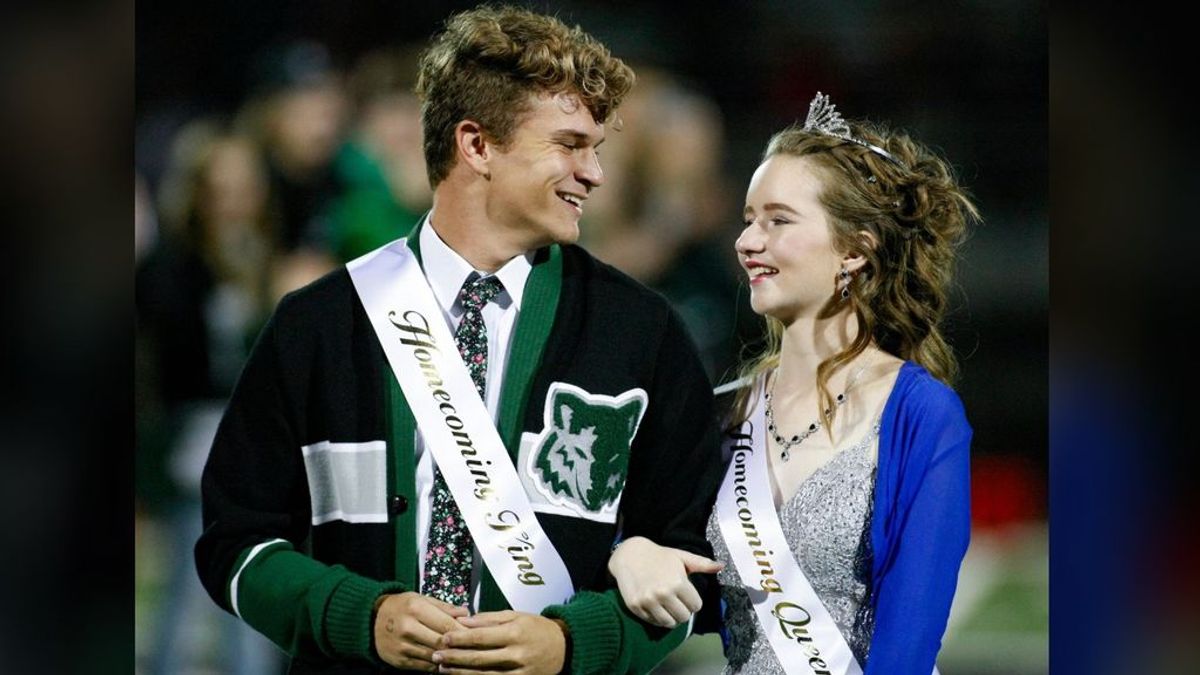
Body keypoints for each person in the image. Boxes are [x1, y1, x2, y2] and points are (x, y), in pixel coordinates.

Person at [194, 6, 725, 674]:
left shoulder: (641, 331)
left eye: (597, 147)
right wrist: (359, 613)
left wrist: (573, 642)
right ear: (477, 145)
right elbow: (234, 544)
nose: (594, 172)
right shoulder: (320, 323)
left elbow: (698, 559)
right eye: (568, 144)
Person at [608, 92, 980, 673]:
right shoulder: (719, 416)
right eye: (748, 220)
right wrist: (628, 551)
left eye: (778, 220)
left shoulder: (920, 415)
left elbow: (909, 641)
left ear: (855, 250)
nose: (747, 241)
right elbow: (676, 579)